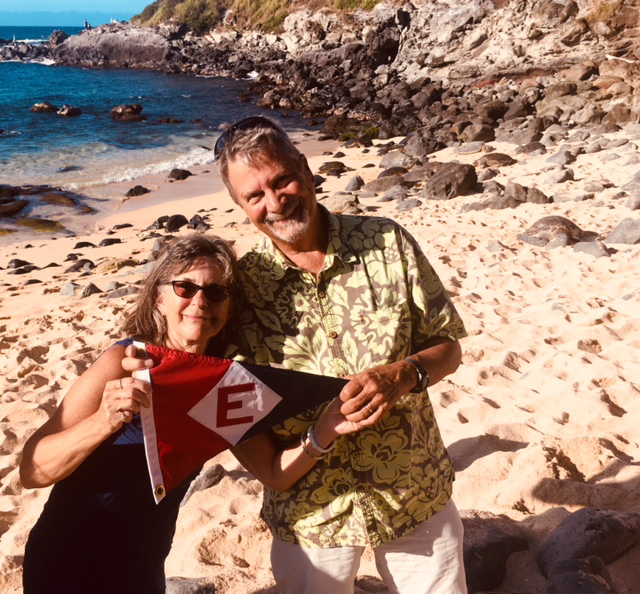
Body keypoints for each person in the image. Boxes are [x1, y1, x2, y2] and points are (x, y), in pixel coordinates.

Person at [20, 234, 360, 594]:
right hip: (65, 564)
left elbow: (273, 472)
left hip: (141, 571)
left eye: (216, 292)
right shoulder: (123, 363)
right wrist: (103, 420)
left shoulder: (223, 383)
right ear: (159, 298)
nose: (200, 301)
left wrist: (327, 429)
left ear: (229, 307)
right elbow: (32, 470)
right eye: (185, 287)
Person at [219, 117, 469, 593]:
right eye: (255, 196)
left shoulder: (386, 242)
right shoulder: (242, 288)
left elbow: (448, 346)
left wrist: (405, 373)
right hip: (312, 513)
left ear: (307, 170)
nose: (274, 203)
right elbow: (225, 399)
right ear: (240, 205)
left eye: (282, 180)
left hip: (412, 491)